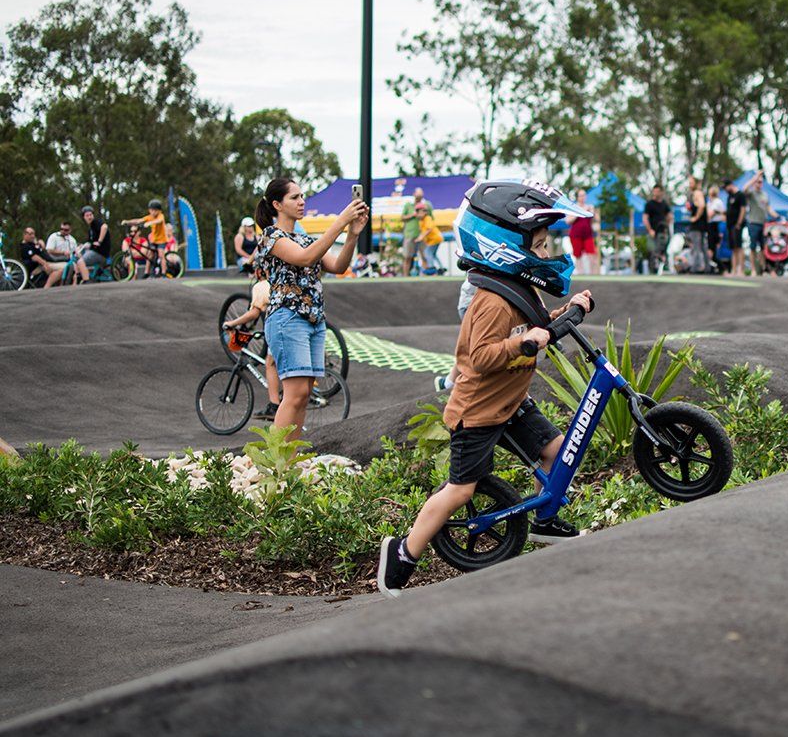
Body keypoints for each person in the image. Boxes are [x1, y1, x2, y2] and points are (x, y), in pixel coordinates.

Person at [377, 179, 594, 597]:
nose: (545, 254)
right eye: (539, 245)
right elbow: (480, 357)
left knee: (556, 452)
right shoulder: (492, 302)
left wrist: (565, 312)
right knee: (461, 490)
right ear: (506, 247)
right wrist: (523, 343)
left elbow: (536, 324)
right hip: (477, 412)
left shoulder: (519, 289)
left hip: (510, 403)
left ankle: (545, 521)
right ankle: (402, 554)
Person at [253, 177, 368, 441]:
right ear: (277, 205)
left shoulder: (305, 239)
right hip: (287, 318)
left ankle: (289, 457)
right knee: (294, 395)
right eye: (294, 197)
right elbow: (305, 258)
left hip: (314, 321)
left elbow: (338, 266)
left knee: (303, 395)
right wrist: (341, 221)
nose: (302, 201)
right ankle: (276, 457)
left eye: (302, 196)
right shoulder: (272, 236)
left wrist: (352, 234)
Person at [222, 266, 282, 419]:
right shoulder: (283, 279)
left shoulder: (261, 286)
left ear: (259, 272)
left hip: (280, 327)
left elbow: (254, 313)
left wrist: (232, 323)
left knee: (270, 363)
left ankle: (274, 405)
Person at [742, 170, 779, 276]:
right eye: (757, 182)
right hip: (753, 223)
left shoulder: (765, 195)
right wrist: (755, 177)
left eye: (761, 182)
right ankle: (753, 270)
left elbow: (768, 208)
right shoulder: (751, 193)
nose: (759, 183)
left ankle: (763, 269)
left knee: (763, 248)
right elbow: (744, 189)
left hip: (763, 224)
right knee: (753, 247)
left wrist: (777, 216)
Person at [121, 199, 169, 278]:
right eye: (151, 210)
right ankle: (147, 272)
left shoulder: (160, 216)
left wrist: (150, 223)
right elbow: (138, 221)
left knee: (161, 254)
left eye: (155, 210)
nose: (153, 212)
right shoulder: (149, 217)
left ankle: (164, 273)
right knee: (149, 255)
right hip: (154, 240)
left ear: (159, 211)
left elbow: (159, 221)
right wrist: (127, 222)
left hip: (162, 240)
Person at [46, 220, 90, 284]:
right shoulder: (54, 236)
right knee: (70, 267)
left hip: (68, 260)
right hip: (54, 260)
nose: (63, 231)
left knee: (78, 264)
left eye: (66, 230)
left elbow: (75, 252)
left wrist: (79, 250)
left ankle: (81, 282)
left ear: (70, 230)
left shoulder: (72, 240)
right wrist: (63, 252)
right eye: (61, 229)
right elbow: (49, 250)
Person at [400, 187, 432, 276]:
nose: (419, 198)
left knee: (425, 256)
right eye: (418, 196)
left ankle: (425, 276)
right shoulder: (408, 205)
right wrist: (413, 215)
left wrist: (424, 213)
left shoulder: (426, 205)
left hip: (422, 235)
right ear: (414, 195)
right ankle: (405, 277)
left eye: (420, 196)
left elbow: (431, 218)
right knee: (407, 257)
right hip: (410, 234)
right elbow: (402, 217)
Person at [566, 188, 599, 275]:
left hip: (588, 235)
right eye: (581, 195)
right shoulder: (573, 208)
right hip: (575, 235)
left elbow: (597, 219)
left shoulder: (589, 207)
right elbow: (568, 221)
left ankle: (593, 275)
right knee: (578, 256)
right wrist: (579, 212)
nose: (582, 197)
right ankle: (580, 274)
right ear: (577, 197)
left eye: (584, 195)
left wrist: (592, 212)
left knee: (592, 254)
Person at [643, 184, 672, 274]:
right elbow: (645, 218)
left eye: (657, 191)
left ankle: (663, 267)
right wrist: (650, 230)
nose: (655, 193)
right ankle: (653, 269)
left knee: (662, 250)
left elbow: (670, 216)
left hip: (662, 232)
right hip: (653, 232)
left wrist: (666, 225)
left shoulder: (664, 204)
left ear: (661, 192)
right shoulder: (649, 204)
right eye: (654, 191)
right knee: (652, 250)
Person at [724, 179, 747, 275]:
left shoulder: (740, 195)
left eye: (726, 187)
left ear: (730, 185)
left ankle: (741, 270)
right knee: (733, 248)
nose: (725, 190)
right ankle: (733, 270)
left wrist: (739, 223)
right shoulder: (729, 196)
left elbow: (743, 209)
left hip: (737, 225)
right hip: (730, 225)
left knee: (739, 247)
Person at [79, 206, 111, 273]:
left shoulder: (96, 222)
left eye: (90, 215)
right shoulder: (91, 229)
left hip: (101, 253)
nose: (89, 217)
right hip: (95, 252)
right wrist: (82, 246)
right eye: (87, 215)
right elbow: (90, 243)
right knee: (78, 258)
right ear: (84, 217)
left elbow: (104, 227)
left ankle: (86, 278)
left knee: (80, 262)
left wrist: (99, 241)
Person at [417, 203, 444, 274]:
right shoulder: (421, 221)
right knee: (433, 254)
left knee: (427, 252)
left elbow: (429, 229)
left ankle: (431, 268)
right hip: (433, 240)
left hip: (435, 239)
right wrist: (419, 237)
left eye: (420, 212)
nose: (418, 214)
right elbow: (422, 231)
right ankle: (441, 268)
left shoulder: (427, 218)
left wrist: (421, 237)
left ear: (425, 212)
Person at [686, 188, 708, 273]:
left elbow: (702, 206)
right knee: (702, 247)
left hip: (697, 227)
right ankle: (706, 267)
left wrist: (696, 217)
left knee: (696, 247)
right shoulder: (696, 202)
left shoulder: (699, 197)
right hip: (701, 227)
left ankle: (696, 267)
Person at [706, 184, 725, 272]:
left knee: (713, 249)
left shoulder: (717, 202)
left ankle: (722, 268)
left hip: (715, 226)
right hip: (711, 226)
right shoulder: (710, 202)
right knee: (711, 248)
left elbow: (709, 215)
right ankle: (715, 267)